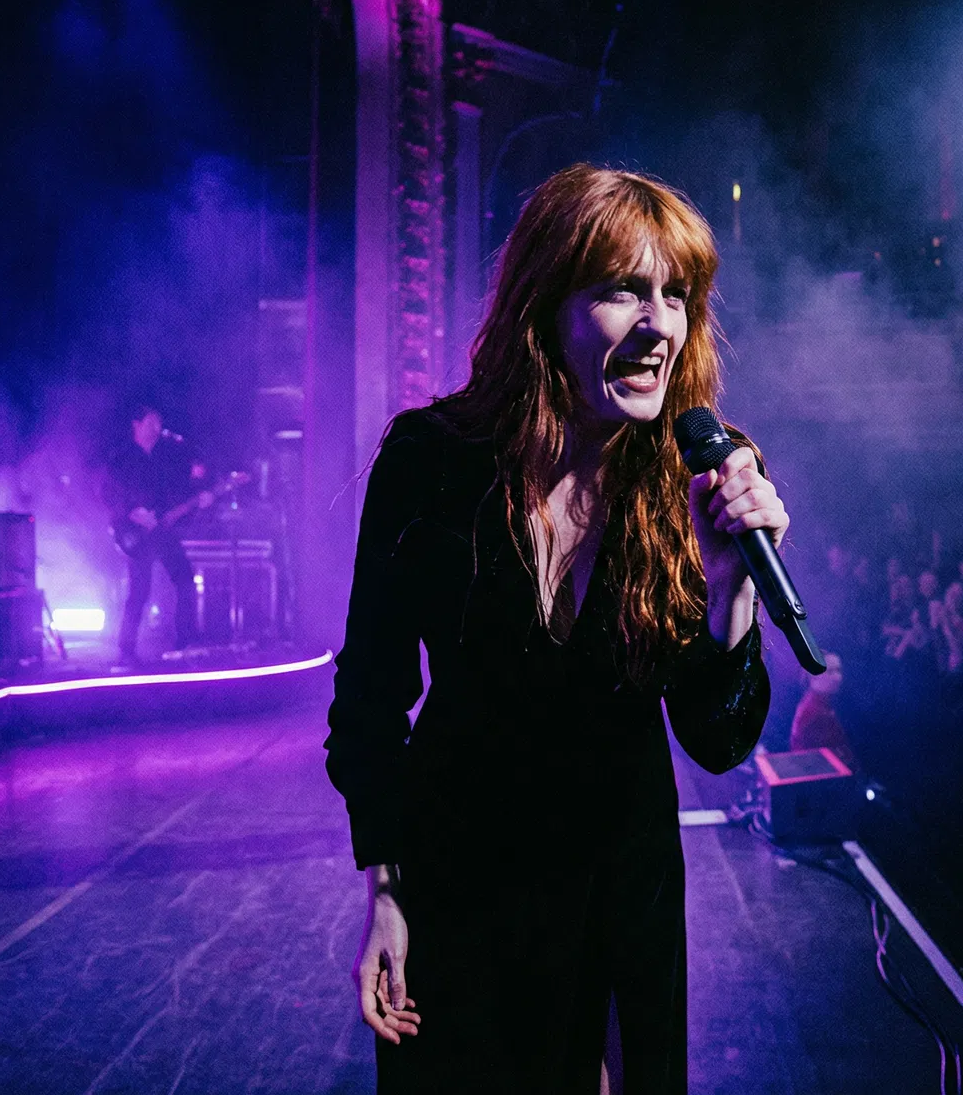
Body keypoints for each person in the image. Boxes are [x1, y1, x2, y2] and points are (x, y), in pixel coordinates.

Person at [324, 165, 781, 1093]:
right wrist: (385, 891)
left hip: (622, 891)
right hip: (464, 882)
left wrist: (731, 586)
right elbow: (369, 700)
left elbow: (717, 739)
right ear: (546, 302)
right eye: (624, 291)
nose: (660, 326)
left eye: (678, 296)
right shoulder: (430, 463)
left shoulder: (688, 481)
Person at [108, 403, 210, 664]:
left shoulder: (165, 459)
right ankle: (126, 648)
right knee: (139, 591)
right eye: (151, 422)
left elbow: (175, 495)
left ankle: (186, 639)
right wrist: (133, 512)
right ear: (137, 425)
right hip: (135, 534)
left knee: (185, 579)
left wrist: (200, 495)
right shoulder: (121, 459)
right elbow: (109, 492)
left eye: (159, 422)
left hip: (162, 532)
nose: (157, 427)